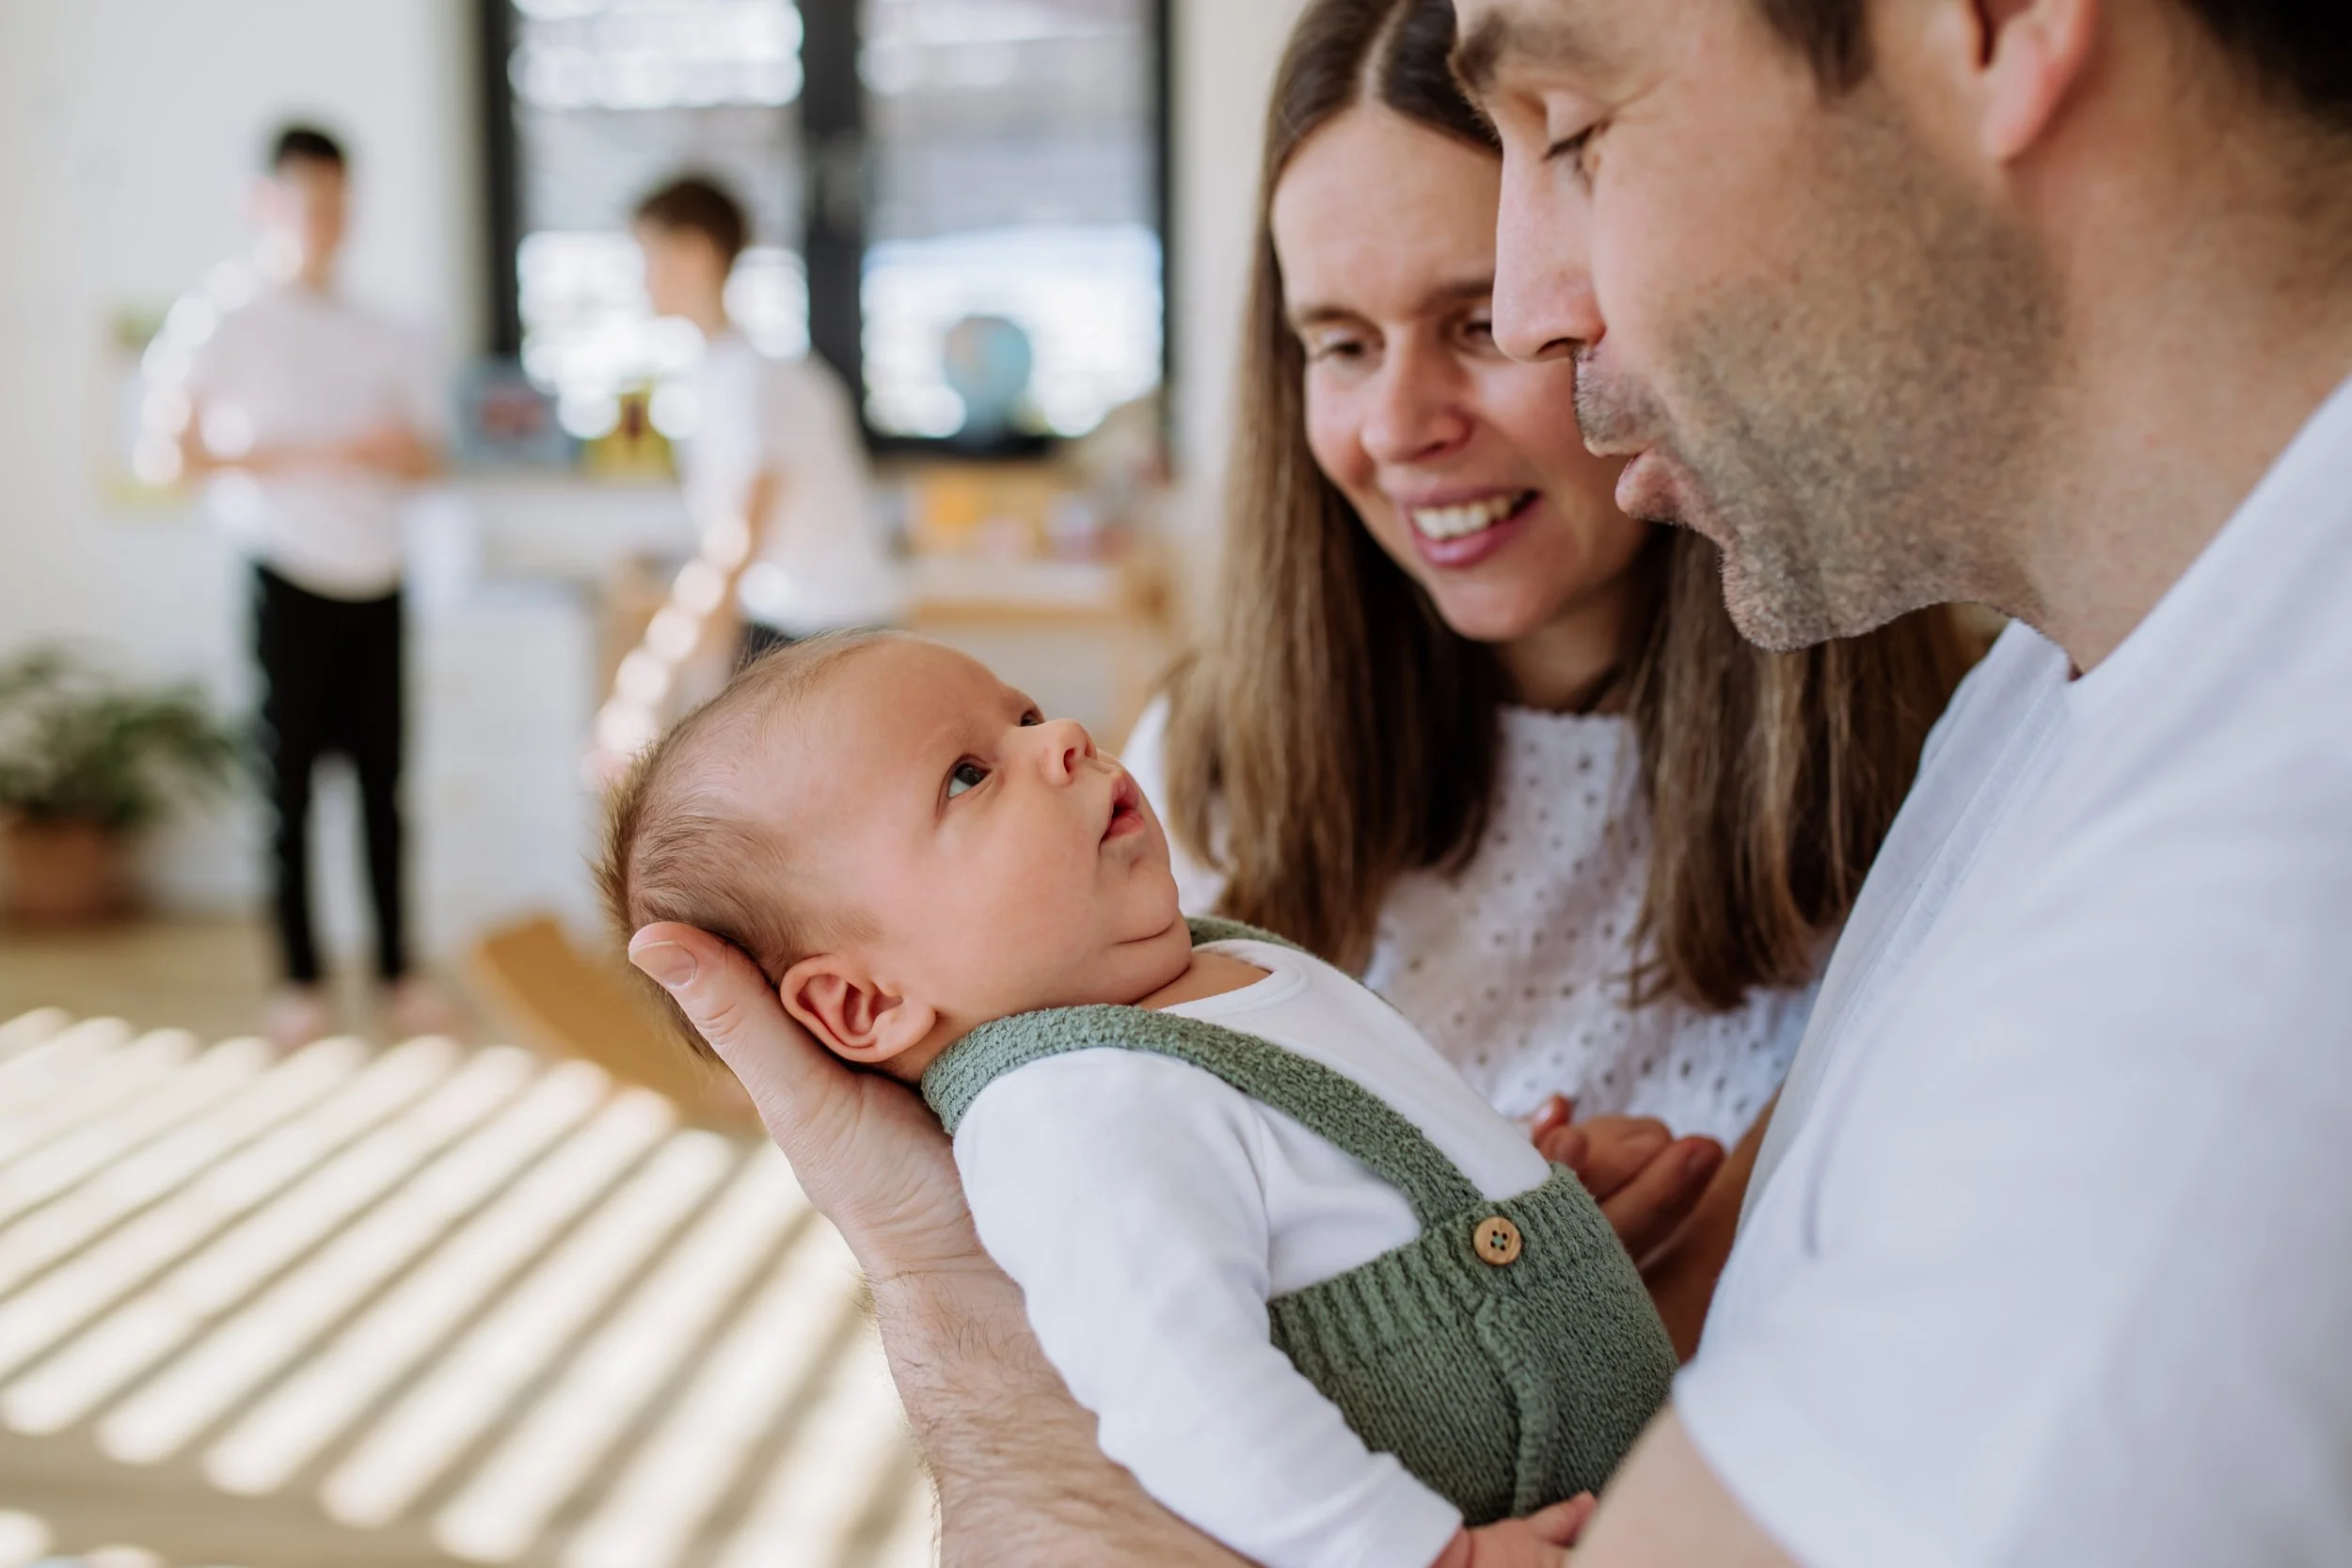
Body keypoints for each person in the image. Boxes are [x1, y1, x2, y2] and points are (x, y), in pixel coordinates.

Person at [627, 0, 2352, 1561]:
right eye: (1340, 340)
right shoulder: (2068, 703)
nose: (1541, 311)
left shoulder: (2179, 900)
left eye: (1580, 138)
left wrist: (1008, 1415)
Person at [1120, 0, 1976, 1351]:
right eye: (1340, 343)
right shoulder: (1209, 769)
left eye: (1474, 325)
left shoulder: (1945, 762)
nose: (1400, 429)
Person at [598, 631, 1678, 1568]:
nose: (1061, 734)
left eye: (1021, 713)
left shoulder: (1199, 966)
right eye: (968, 776)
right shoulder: (1062, 1109)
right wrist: (1414, 1550)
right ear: (863, 1000)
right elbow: (1186, 1394)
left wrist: (1483, 1167)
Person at [174, 125, 447, 1048]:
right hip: (284, 576)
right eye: (307, 201)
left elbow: (429, 460)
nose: (327, 221)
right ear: (266, 202)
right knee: (287, 789)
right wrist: (316, 453)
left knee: (384, 789)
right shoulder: (225, 318)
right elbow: (171, 453)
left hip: (379, 576)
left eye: (339, 201)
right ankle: (299, 978)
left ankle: (398, 968)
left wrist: (392, 454)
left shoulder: (387, 328)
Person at [632, 176, 903, 667]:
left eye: (647, 255)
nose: (641, 279)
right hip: (790, 622)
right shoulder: (713, 373)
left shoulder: (755, 379)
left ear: (695, 253)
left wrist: (660, 675)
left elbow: (739, 538)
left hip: (832, 634)